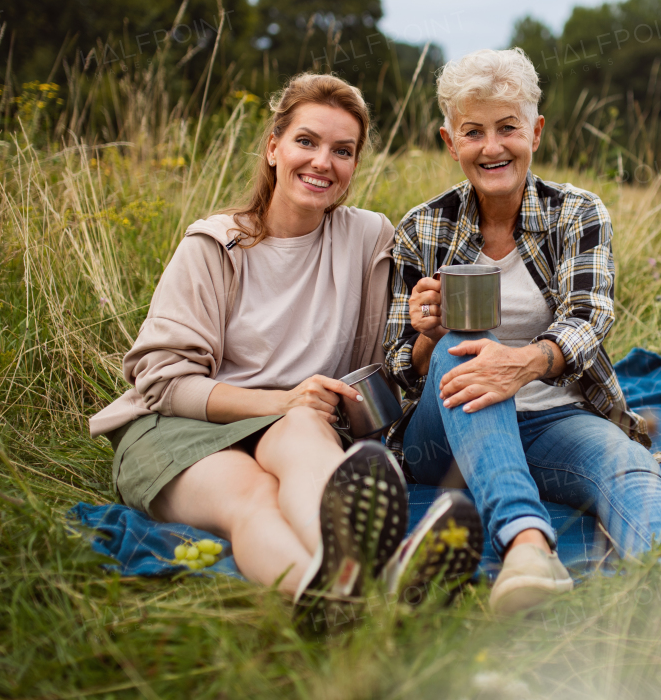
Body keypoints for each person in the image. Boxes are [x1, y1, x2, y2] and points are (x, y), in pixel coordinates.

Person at [384, 48, 661, 622]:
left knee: (623, 462)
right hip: (445, 437)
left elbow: (590, 315)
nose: (492, 147)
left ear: (534, 130)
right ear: (449, 141)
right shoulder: (421, 227)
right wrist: (425, 335)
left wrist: (525, 363)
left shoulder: (577, 212)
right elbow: (398, 368)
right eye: (473, 131)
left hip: (553, 416)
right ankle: (528, 550)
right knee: (462, 342)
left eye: (508, 128)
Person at [89, 73, 481, 620]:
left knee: (302, 429)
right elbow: (162, 382)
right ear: (273, 147)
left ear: (353, 167)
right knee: (252, 500)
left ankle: (366, 578)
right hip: (182, 427)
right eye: (306, 141)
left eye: (342, 151)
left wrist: (428, 334)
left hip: (298, 424)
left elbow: (389, 369)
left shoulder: (366, 240)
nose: (323, 162)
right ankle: (338, 601)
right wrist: (282, 399)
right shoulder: (215, 245)